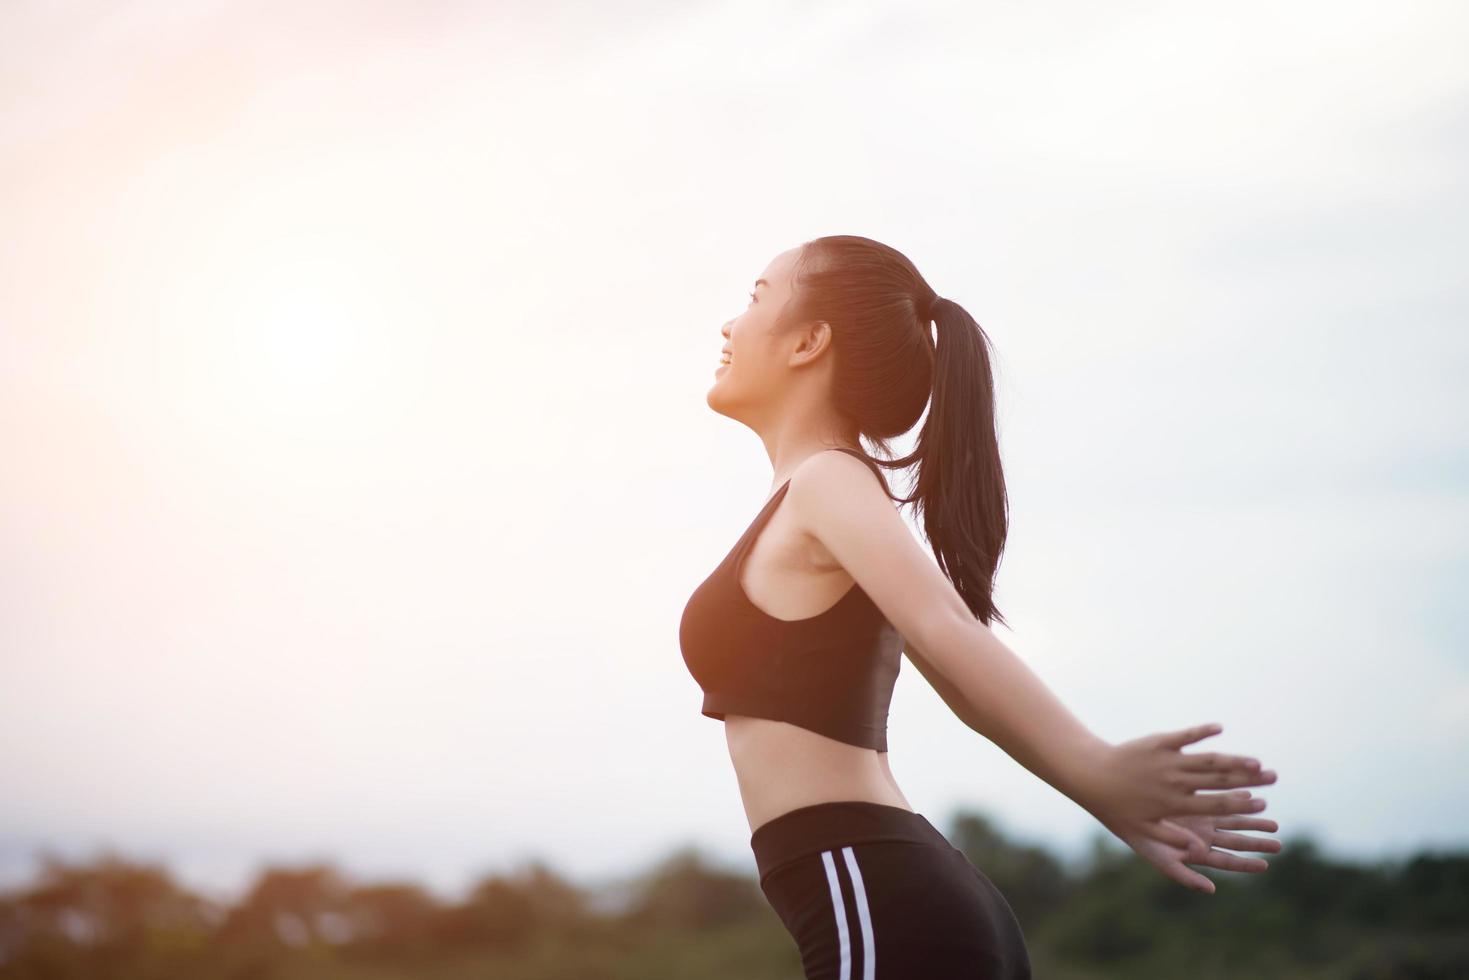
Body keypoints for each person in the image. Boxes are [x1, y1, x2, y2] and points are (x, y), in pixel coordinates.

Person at [678, 235, 1282, 979]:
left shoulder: (827, 484)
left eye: (756, 297)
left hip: (873, 892)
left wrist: (1094, 765)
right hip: (894, 895)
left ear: (809, 341)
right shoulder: (819, 496)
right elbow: (962, 688)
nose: (729, 325)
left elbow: (943, 625)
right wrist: (1097, 796)